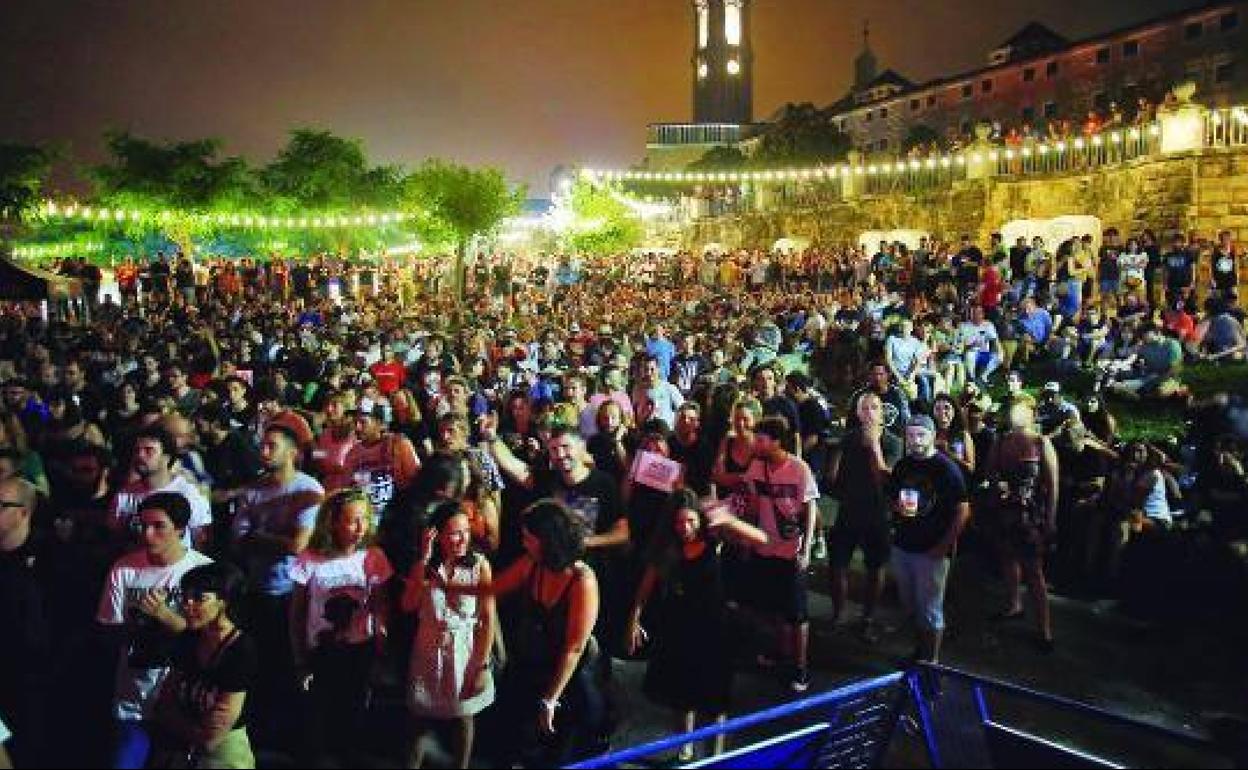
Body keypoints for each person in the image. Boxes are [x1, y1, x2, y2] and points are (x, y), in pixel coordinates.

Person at [626, 490, 768, 762]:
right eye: (679, 522)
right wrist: (634, 619)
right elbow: (645, 587)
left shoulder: (714, 539)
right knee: (682, 696)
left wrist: (727, 519)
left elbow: (761, 539)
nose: (685, 528)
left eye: (691, 521)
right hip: (678, 627)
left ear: (700, 521)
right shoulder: (666, 548)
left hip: (713, 629)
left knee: (715, 701)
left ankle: (715, 757)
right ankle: (686, 750)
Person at [96, 492, 214, 769]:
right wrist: (140, 627)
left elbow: (211, 640)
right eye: (143, 525)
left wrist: (164, 616)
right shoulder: (124, 568)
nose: (148, 534)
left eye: (158, 526)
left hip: (184, 704)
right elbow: (107, 631)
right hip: (133, 697)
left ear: (181, 530)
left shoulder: (203, 571)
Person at [289, 489, 394, 764]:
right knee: (320, 716)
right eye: (352, 520)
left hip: (361, 649)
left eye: (365, 520)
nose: (361, 528)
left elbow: (381, 604)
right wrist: (300, 658)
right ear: (333, 522)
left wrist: (382, 640)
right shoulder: (310, 559)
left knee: (355, 714)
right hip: (322, 650)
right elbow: (298, 612)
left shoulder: (373, 556)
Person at [401, 501, 496, 769]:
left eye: (466, 531)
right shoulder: (425, 567)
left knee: (463, 716)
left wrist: (481, 664)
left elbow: (488, 619)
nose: (463, 538)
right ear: (437, 535)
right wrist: (423, 560)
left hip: (464, 649)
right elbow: (408, 605)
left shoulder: (479, 566)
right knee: (418, 718)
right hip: (428, 650)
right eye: (455, 532)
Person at [147, 562, 258, 769]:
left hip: (224, 756)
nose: (187, 604)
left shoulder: (240, 649)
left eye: (199, 598)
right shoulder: (190, 639)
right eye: (185, 596)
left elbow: (212, 736)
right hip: (182, 751)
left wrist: (176, 722)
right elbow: (163, 703)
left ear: (223, 602)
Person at [743, 416, 820, 692]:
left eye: (761, 439)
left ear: (776, 442)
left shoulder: (799, 469)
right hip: (765, 548)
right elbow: (753, 506)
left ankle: (800, 668)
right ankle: (781, 652)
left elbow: (811, 509)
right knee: (775, 607)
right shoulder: (755, 467)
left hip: (791, 551)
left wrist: (807, 547)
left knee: (797, 614)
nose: (755, 443)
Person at [888, 415, 971, 663]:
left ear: (932, 436)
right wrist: (897, 508)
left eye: (921, 435)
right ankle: (919, 653)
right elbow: (893, 497)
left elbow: (963, 510)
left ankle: (931, 664)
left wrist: (944, 546)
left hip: (931, 550)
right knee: (911, 605)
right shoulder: (903, 465)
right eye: (911, 435)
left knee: (931, 610)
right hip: (903, 545)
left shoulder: (946, 468)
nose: (915, 440)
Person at [984, 403, 1060, 651]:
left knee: (1034, 570)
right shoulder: (1001, 442)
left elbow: (1052, 485)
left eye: (1022, 411)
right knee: (1007, 558)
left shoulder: (1041, 442)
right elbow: (989, 472)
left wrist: (1050, 518)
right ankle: (1014, 604)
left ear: (1031, 415)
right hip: (1005, 511)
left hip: (1031, 514)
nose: (1017, 415)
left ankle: (1044, 628)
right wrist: (997, 484)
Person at [827, 392, 902, 639]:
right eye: (865, 408)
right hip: (849, 510)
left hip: (878, 513)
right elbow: (832, 476)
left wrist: (874, 447)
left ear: (882, 413)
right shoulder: (848, 440)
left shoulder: (892, 443)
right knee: (837, 563)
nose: (870, 412)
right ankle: (839, 614)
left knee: (875, 567)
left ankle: (868, 617)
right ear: (858, 414)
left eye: (875, 408)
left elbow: (885, 477)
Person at [109, 426, 213, 550]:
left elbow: (201, 541)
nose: (140, 456)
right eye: (137, 450)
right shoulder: (124, 495)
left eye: (149, 450)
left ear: (166, 457)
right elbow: (114, 536)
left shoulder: (190, 493)